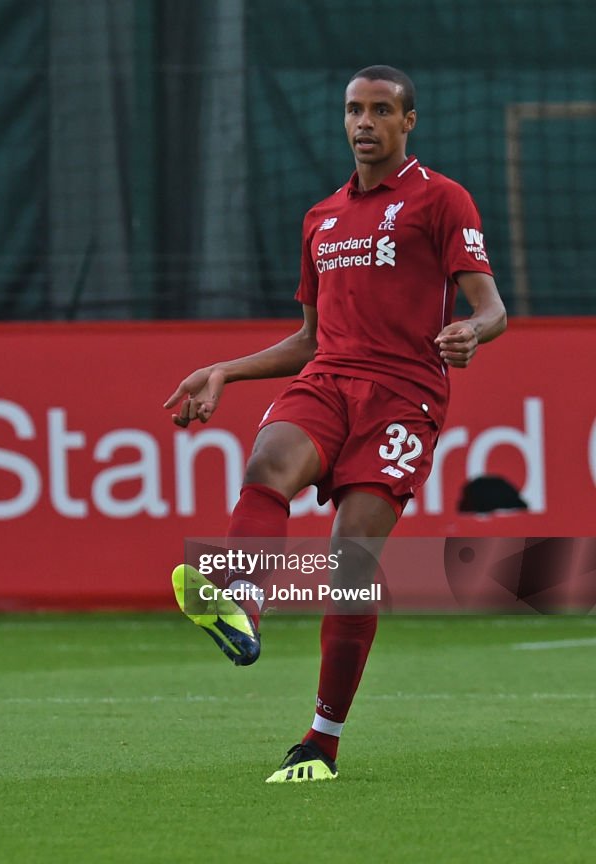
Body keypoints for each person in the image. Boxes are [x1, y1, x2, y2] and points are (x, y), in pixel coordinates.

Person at [163, 65, 507, 783]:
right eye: (355, 109)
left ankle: (321, 740)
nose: (365, 122)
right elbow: (309, 340)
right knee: (266, 465)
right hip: (328, 380)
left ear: (408, 121)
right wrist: (224, 370)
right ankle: (243, 607)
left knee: (350, 564)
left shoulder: (441, 200)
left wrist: (472, 331)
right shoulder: (321, 217)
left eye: (382, 110)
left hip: (404, 394)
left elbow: (491, 305)